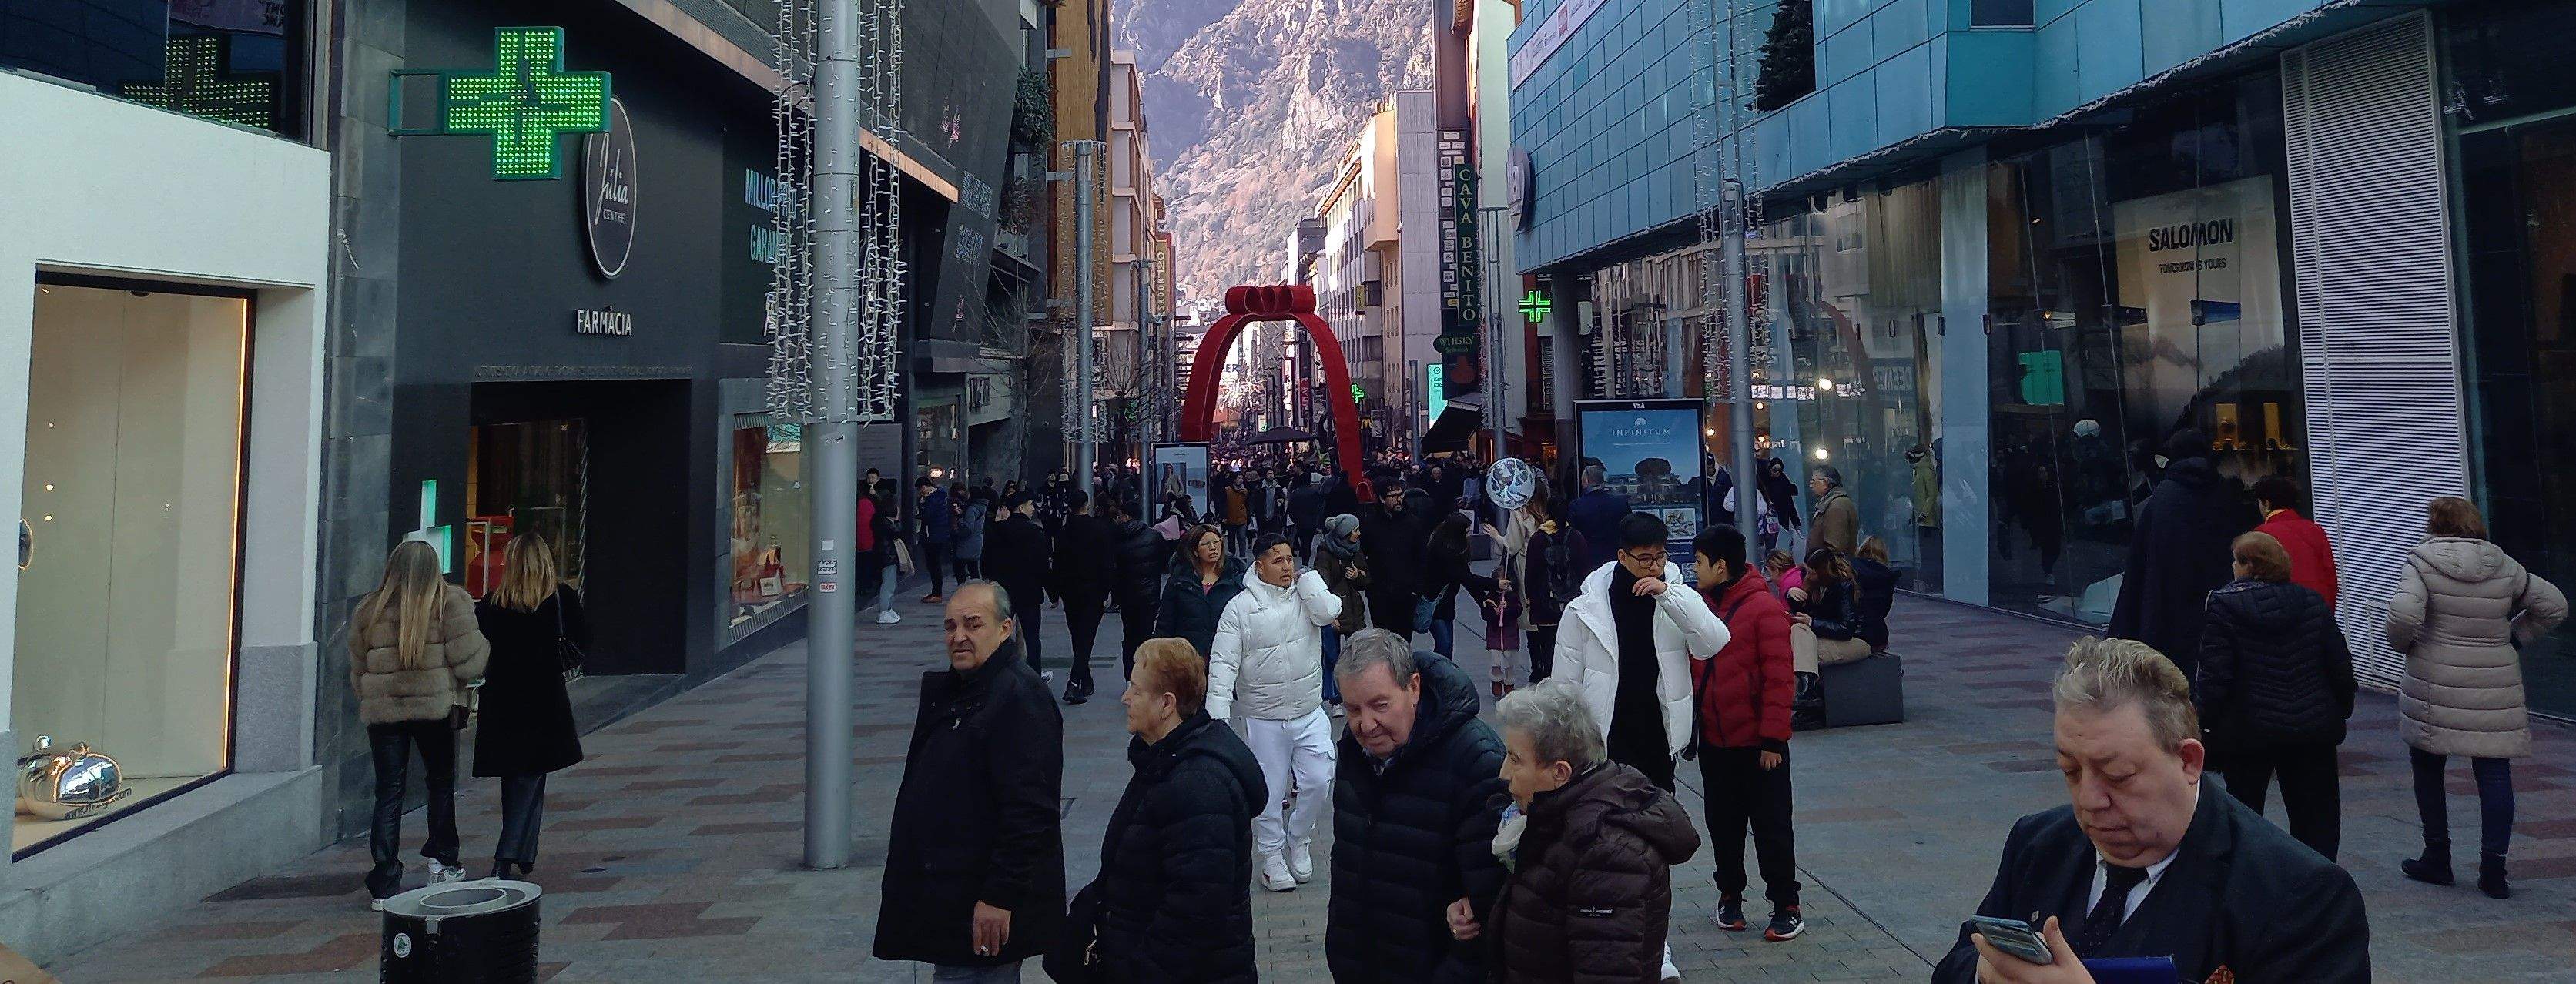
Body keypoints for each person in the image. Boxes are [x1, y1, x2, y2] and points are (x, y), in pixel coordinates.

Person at [1932, 637, 2370, 984]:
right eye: (2070, 770)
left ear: (2189, 762)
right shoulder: (2037, 843)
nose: (2088, 800)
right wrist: (1987, 974)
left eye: (2118, 775)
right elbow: (1957, 962)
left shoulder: (2300, 896)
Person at [876, 583, 1067, 979]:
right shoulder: (963, 690)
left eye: (973, 624)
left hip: (981, 906)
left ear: (1005, 629)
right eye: (950, 627)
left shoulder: (1017, 696)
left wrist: (999, 895)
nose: (958, 636)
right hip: (952, 896)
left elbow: (1030, 812)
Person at [2387, 496, 2568, 899]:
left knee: (2428, 764)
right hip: (2494, 680)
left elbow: (2403, 614)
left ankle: (2437, 856)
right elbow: (2554, 605)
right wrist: (2516, 637)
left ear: (2435, 524)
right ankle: (2494, 869)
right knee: (2494, 769)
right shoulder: (2505, 566)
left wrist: (2407, 645)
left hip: (2435, 677)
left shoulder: (2423, 563)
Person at [1478, 681, 1701, 984]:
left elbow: (1608, 972)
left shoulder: (1607, 855)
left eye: (1515, 760)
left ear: (1560, 773)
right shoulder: (1550, 820)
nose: (1503, 773)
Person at [1325, 631, 1509, 984]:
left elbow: (1490, 902)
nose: (1365, 725)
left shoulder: (1476, 760)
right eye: (1352, 709)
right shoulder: (1353, 749)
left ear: (1413, 688)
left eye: (1380, 705)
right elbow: (1346, 862)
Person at [1076, 638, 1263, 983]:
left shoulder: (1197, 784)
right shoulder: (1164, 761)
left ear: (1166, 704)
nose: (1125, 698)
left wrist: (1140, 971)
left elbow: (1196, 907)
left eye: (1135, 689)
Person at [2196, 531, 2355, 861]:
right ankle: (2319, 885)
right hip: (2312, 729)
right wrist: (2340, 708)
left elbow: (2215, 675)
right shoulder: (2311, 602)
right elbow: (2339, 661)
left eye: (2237, 560)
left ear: (2249, 566)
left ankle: (2248, 881)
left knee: (2244, 814)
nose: (2232, 566)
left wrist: (2206, 722)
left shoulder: (2224, 605)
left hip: (2248, 730)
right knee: (2317, 820)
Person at [350, 539, 489, 906]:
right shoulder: (451, 603)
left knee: (389, 792)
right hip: (436, 709)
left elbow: (359, 671)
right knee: (440, 784)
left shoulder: (370, 609)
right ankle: (442, 861)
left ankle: (384, 881)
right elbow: (470, 663)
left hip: (385, 713)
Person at [1552, 512, 1730, 792]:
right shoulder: (1585, 609)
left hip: (1658, 729)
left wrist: (1668, 595)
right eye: (1645, 558)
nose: (1655, 566)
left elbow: (1713, 642)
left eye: (1661, 556)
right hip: (1607, 731)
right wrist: (1567, 743)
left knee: (1658, 814)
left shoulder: (1676, 595)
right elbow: (1565, 684)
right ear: (1623, 557)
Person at [1208, 534, 1343, 892]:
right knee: (1267, 792)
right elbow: (1223, 664)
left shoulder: (1306, 596)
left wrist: (1311, 580)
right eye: (1278, 561)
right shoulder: (1239, 607)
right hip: (1263, 717)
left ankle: (1298, 839)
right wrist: (1217, 719)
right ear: (1259, 565)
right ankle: (1271, 858)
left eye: (1290, 560)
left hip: (1309, 710)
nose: (1287, 567)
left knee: (1318, 779)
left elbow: (1331, 611)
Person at [1689, 526, 1803, 941]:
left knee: (1772, 826)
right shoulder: (1698, 607)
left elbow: (1779, 678)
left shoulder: (1764, 609)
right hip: (1715, 742)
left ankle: (1785, 904)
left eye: (1699, 562)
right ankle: (1730, 895)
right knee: (1723, 824)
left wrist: (1774, 739)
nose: (1693, 569)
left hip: (1759, 746)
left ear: (1721, 565)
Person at [470, 535, 587, 881]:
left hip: (502, 702)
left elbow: (479, 652)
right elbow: (583, 641)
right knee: (531, 775)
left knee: (518, 777)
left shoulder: (492, 604)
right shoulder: (561, 598)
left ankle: (525, 851)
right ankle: (506, 855)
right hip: (543, 699)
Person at [2108, 429, 2258, 684]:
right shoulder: (2224, 495)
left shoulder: (2164, 499)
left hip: (2168, 607)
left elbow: (2140, 565)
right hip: (2221, 604)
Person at [1052, 488, 1120, 703]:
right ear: (1087, 505)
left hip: (1070, 591)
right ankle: (1073, 682)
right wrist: (1107, 590)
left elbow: (1058, 563)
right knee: (1087, 637)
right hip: (1092, 590)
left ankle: (1085, 676)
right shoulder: (1098, 529)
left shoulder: (1064, 531)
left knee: (1078, 635)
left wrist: (1057, 591)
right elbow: (1107, 563)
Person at [1419, 512, 1505, 664]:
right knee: (1444, 646)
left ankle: (1440, 676)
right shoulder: (1444, 552)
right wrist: (1494, 584)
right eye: (1465, 532)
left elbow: (1466, 577)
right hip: (1437, 603)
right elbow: (1464, 577)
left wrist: (1484, 599)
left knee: (1446, 646)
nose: (1468, 535)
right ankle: (1436, 675)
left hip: (1444, 604)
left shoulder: (1450, 547)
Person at [987, 494, 1056, 681]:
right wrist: (1053, 593)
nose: (1033, 508)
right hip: (1029, 592)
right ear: (1021, 507)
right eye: (1031, 504)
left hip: (1002, 591)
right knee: (1033, 637)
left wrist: (991, 584)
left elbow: (986, 562)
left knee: (1000, 634)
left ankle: (997, 673)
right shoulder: (1034, 533)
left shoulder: (996, 531)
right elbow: (1043, 566)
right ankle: (1034, 675)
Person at [1359, 471, 1433, 640]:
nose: (1398, 499)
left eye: (1400, 494)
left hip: (1406, 593)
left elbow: (1422, 558)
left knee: (1403, 640)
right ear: (1381, 498)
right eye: (1392, 496)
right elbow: (1363, 555)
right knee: (1382, 640)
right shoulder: (1370, 524)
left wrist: (1417, 589)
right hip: (1380, 594)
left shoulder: (1412, 523)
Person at [1157, 524, 1246, 661]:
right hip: (1188, 661)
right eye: (1205, 544)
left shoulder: (1236, 580)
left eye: (1217, 542)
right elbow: (1165, 626)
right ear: (1195, 550)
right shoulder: (1179, 583)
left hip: (1227, 658)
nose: (1213, 547)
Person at [2253, 474, 2339, 609]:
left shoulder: (2261, 535)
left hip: (2283, 615)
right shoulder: (2315, 529)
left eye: (2259, 502)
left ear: (2267, 503)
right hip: (2318, 611)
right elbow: (2331, 579)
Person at [1109, 497, 1170, 682]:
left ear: (1125, 516)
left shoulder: (1116, 538)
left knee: (1129, 637)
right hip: (1149, 594)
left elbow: (1113, 568)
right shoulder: (1154, 537)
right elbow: (1163, 564)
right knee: (1146, 636)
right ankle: (1147, 676)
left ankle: (1130, 676)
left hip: (1127, 595)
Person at [1314, 514, 1370, 712]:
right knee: (1333, 657)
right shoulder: (1325, 554)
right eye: (1355, 531)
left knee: (1358, 656)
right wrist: (1330, 616)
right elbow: (1321, 587)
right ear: (1345, 533)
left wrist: (1358, 576)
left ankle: (1358, 695)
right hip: (1335, 614)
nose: (1358, 534)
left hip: (1354, 611)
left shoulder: (1356, 551)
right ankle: (1336, 699)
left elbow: (1366, 580)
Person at [1787, 546, 1870, 675]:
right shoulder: (1811, 580)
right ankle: (1806, 686)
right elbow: (1801, 611)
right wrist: (1792, 595)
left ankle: (1805, 686)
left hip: (1852, 640)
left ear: (1823, 572)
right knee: (1798, 630)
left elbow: (1846, 628)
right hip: (1820, 637)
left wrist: (1812, 622)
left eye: (1812, 573)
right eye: (1806, 571)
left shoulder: (1843, 586)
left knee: (1800, 651)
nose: (1808, 576)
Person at [1566, 464, 1630, 574]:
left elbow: (1571, 536)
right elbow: (1629, 531)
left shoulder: (1576, 506)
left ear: (1586, 480)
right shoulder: (1621, 503)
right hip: (1616, 559)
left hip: (1587, 561)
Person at [1849, 536, 1897, 652]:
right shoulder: (1887, 577)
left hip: (1853, 633)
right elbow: (1884, 610)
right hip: (1877, 636)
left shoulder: (1850, 569)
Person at [1805, 464, 1858, 557]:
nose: (1810, 485)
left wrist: (1820, 565)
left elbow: (1835, 548)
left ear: (1825, 483)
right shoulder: (1834, 503)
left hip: (1829, 569)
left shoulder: (1836, 507)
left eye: (1813, 481)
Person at [916, 477, 954, 604]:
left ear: (923, 487)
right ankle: (936, 591)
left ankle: (937, 592)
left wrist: (921, 505)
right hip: (940, 534)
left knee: (933, 564)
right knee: (934, 564)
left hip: (933, 535)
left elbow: (927, 516)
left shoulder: (931, 499)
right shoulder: (942, 496)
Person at [1756, 457, 1802, 556]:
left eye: (1779, 471)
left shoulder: (1783, 481)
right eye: (1775, 470)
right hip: (1764, 518)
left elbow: (1790, 504)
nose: (1777, 473)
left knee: (1776, 545)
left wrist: (1796, 522)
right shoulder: (1762, 480)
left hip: (1780, 520)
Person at [953, 484, 989, 583]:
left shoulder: (971, 509)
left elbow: (968, 527)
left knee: (960, 566)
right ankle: (976, 590)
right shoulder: (981, 507)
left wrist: (960, 520)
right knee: (973, 567)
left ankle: (962, 589)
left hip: (968, 541)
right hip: (977, 540)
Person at [1288, 472, 1328, 561]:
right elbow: (1320, 506)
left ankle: (1304, 558)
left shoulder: (1296, 493)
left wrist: (1294, 519)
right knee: (1309, 541)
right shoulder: (1315, 492)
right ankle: (1306, 559)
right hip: (1311, 521)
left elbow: (1291, 507)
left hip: (1300, 521)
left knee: (1303, 540)